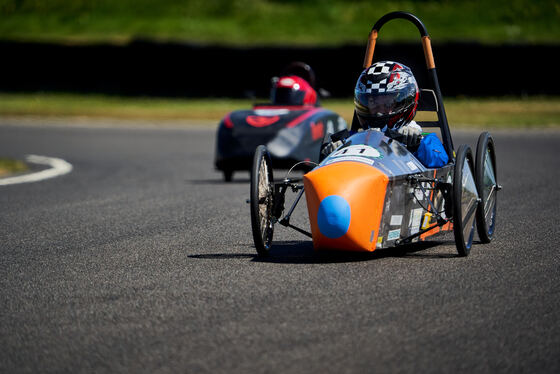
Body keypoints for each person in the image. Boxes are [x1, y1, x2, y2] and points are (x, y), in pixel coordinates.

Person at [322, 61, 447, 167]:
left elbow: (440, 160)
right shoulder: (351, 138)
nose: (378, 110)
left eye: (387, 103)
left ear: (402, 102)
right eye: (372, 101)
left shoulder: (422, 139)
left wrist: (417, 144)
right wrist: (334, 152)